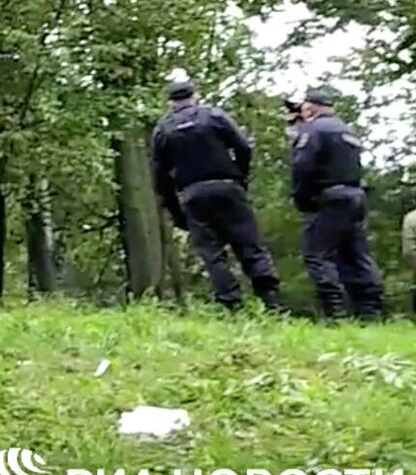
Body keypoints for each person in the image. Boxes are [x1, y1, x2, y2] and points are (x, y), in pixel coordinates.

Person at [151, 79, 281, 311]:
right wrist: (241, 178)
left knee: (212, 253)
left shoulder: (163, 128)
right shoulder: (214, 116)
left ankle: (231, 304)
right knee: (250, 244)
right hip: (227, 186)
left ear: (170, 102)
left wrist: (176, 212)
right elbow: (243, 147)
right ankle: (271, 300)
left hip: (193, 194)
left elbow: (160, 177)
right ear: (195, 95)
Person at [291, 86, 385, 320]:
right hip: (355, 195)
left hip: (329, 198)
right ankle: (371, 311)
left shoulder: (314, 130)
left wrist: (301, 197)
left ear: (310, 107)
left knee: (318, 255)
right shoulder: (347, 130)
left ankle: (336, 313)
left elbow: (302, 166)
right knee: (357, 254)